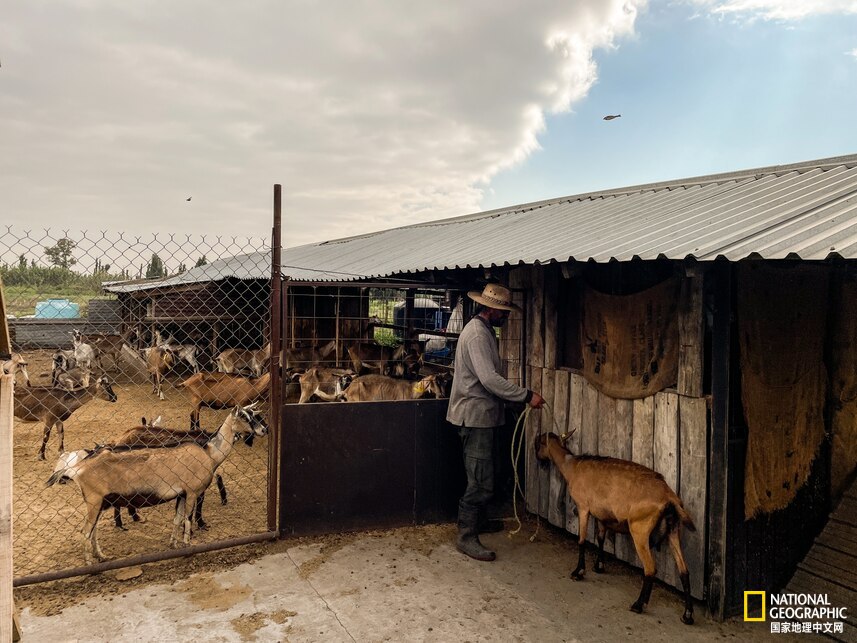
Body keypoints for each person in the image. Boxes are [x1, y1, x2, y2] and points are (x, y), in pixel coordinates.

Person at [446, 283, 544, 562]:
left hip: (483, 415)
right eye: (504, 312)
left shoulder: (483, 331)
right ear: (492, 310)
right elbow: (489, 380)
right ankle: (466, 536)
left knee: (486, 472)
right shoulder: (477, 335)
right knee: (480, 479)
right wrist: (525, 396)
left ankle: (478, 523)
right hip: (475, 417)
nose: (507, 317)